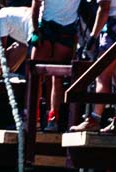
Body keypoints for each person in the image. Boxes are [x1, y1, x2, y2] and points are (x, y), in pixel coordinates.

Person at [69, 0, 116, 133]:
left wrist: (93, 37)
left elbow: (104, 8)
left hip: (113, 27)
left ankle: (95, 119)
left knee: (102, 76)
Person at [29, 0, 81, 131]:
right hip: (47, 27)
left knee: (58, 77)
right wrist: (35, 30)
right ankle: (33, 117)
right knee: (35, 74)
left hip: (66, 30)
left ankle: (53, 118)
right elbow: (36, 5)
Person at [0, 3, 33, 75]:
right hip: (29, 36)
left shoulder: (0, 18)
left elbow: (0, 48)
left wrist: (0, 71)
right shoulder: (7, 12)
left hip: (33, 30)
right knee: (19, 46)